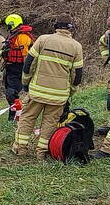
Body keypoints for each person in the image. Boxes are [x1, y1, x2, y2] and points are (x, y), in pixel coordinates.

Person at [12, 16, 84, 159]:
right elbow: (77, 75)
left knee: (27, 118)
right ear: (70, 29)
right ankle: (42, 152)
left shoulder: (43, 39)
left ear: (56, 27)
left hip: (37, 91)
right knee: (50, 122)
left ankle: (20, 149)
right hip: (59, 95)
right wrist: (70, 92)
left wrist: (26, 84)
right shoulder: (77, 46)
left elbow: (28, 65)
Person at [1, 14, 35, 121]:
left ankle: (15, 116)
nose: (8, 27)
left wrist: (26, 73)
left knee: (11, 94)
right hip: (10, 68)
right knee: (10, 93)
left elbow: (26, 56)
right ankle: (15, 115)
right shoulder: (13, 35)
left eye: (8, 25)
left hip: (18, 69)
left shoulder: (23, 37)